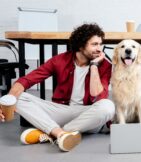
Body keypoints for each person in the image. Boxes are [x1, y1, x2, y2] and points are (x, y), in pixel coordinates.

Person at [0, 23, 115, 152]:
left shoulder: (105, 65)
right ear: (81, 45)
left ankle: (52, 132)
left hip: (88, 115)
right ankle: (62, 134)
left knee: (108, 106)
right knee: (18, 96)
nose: (99, 49)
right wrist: (8, 101)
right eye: (94, 44)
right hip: (62, 110)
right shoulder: (60, 60)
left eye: (100, 44)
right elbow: (26, 80)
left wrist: (94, 66)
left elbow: (97, 95)